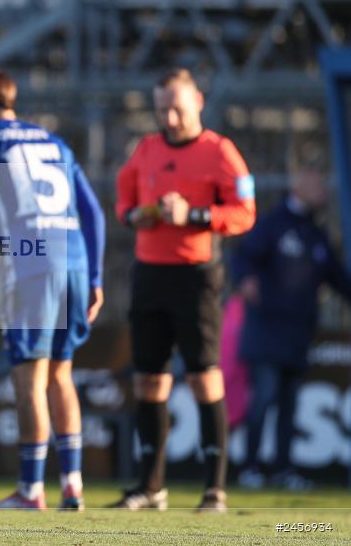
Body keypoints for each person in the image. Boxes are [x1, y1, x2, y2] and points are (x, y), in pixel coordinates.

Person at [113, 68, 255, 512]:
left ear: (197, 101)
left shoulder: (220, 151)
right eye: (161, 109)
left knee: (202, 376)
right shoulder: (147, 148)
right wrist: (134, 216)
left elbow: (244, 212)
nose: (169, 117)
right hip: (150, 273)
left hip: (196, 276)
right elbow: (124, 198)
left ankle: (214, 488)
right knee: (149, 381)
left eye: (176, 107)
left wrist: (193, 216)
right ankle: (150, 486)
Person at [0, 68, 105, 512]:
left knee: (29, 381)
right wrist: (96, 277)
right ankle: (73, 486)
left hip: (30, 265)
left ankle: (30, 490)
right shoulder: (54, 142)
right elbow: (94, 214)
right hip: (75, 262)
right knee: (60, 376)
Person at [233, 144, 351, 491]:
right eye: (316, 185)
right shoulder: (273, 224)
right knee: (263, 399)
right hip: (267, 330)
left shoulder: (316, 234)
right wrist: (246, 280)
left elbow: (338, 279)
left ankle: (284, 469)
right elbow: (244, 258)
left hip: (298, 333)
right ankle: (250, 467)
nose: (322, 192)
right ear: (298, 186)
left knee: (289, 406)